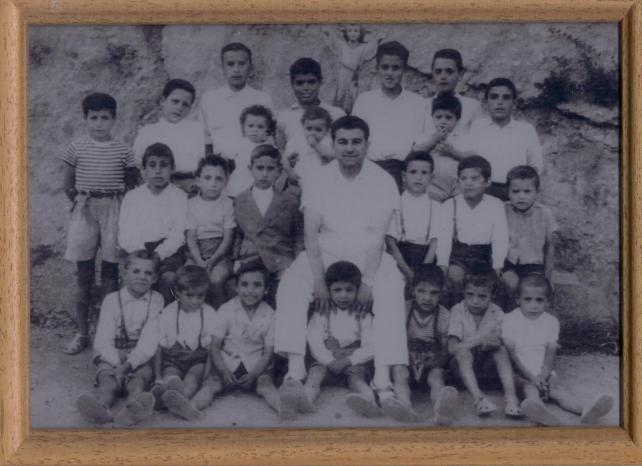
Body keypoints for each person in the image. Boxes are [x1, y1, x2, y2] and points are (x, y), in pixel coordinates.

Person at [274, 115, 408, 413]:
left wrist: (368, 283)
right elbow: (311, 235)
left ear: (367, 144)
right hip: (326, 248)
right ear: (332, 144)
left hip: (369, 253)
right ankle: (294, 373)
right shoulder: (318, 178)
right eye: (342, 142)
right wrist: (319, 281)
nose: (349, 148)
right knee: (292, 283)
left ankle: (383, 381)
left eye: (356, 142)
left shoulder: (383, 180)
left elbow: (378, 238)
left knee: (392, 287)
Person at [61, 92, 137, 355]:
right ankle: (82, 333)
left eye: (105, 118)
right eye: (93, 118)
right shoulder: (76, 148)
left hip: (114, 208)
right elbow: (67, 184)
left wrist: (119, 204)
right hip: (85, 209)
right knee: (83, 275)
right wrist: (80, 201)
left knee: (110, 274)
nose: (99, 123)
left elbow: (131, 183)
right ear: (85, 119)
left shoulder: (124, 150)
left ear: (114, 120)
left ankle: (109, 333)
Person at [502, 274, 614, 426]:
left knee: (558, 390)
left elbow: (550, 353)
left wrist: (544, 376)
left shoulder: (551, 322)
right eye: (527, 299)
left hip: (544, 372)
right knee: (530, 390)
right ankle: (539, 412)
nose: (533, 305)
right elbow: (512, 356)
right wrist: (533, 378)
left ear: (547, 301)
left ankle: (585, 409)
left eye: (539, 300)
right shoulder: (510, 319)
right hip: (519, 373)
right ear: (518, 300)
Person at [76, 250, 163, 425]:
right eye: (136, 271)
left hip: (140, 356)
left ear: (155, 278)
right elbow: (103, 340)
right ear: (125, 273)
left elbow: (150, 339)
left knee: (138, 382)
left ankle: (131, 412)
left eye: (148, 273)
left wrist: (130, 364)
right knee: (108, 383)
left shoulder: (157, 300)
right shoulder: (111, 300)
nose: (142, 277)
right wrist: (118, 364)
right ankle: (101, 409)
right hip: (112, 354)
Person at [294, 261, 380, 421]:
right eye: (337, 290)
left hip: (352, 363)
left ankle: (369, 400)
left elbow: (371, 346)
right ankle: (306, 398)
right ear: (328, 290)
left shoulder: (363, 315)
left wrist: (349, 360)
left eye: (349, 290)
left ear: (358, 290)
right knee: (314, 375)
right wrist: (329, 361)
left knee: (357, 380)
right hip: (327, 363)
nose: (343, 295)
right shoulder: (321, 314)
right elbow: (315, 343)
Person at [209, 261, 282, 416]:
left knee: (265, 384)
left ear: (266, 289)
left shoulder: (270, 315)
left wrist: (254, 374)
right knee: (211, 384)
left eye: (257, 285)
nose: (250, 290)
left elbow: (268, 352)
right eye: (244, 284)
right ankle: (193, 407)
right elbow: (215, 345)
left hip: (256, 364)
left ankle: (282, 408)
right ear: (236, 287)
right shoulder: (226, 309)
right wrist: (223, 370)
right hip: (228, 362)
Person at [233, 145, 303, 305]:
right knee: (250, 285)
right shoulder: (240, 200)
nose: (264, 174)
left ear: (279, 171)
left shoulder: (289, 201)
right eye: (260, 168)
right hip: (251, 256)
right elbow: (238, 233)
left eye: (270, 169)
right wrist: (236, 258)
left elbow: (298, 234)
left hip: (280, 257)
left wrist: (297, 262)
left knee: (290, 287)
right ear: (250, 169)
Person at [118, 143, 187, 303]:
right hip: (137, 250)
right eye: (152, 165)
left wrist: (158, 255)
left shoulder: (179, 196)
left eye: (164, 165)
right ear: (143, 169)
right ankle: (131, 316)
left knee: (169, 279)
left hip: (167, 253)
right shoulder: (133, 197)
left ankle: (164, 316)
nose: (158, 171)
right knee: (130, 280)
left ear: (172, 168)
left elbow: (177, 235)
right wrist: (141, 255)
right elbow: (126, 232)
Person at [447, 267, 521, 418]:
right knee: (463, 353)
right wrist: (480, 340)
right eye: (470, 294)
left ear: (492, 295)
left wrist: (494, 343)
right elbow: (452, 348)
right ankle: (479, 399)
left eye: (482, 296)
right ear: (463, 292)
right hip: (462, 372)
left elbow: (502, 341)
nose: (475, 301)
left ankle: (511, 400)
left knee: (501, 350)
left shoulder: (497, 312)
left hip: (489, 372)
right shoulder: (457, 311)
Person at [352, 41, 426, 190]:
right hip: (370, 169)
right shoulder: (364, 100)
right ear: (377, 68)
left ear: (404, 70)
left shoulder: (418, 103)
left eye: (396, 68)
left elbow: (422, 141)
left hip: (405, 171)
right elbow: (355, 138)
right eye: (385, 67)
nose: (390, 73)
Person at [152, 265, 219, 421]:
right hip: (173, 359)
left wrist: (207, 374)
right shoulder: (168, 313)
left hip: (197, 360)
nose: (195, 301)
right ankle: (166, 391)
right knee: (171, 375)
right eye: (189, 296)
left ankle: (182, 400)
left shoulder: (210, 313)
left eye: (200, 296)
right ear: (177, 292)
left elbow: (211, 350)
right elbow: (159, 348)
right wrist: (158, 375)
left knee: (192, 378)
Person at [397, 264, 459, 426]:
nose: (427, 298)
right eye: (421, 291)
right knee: (400, 373)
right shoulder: (403, 309)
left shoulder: (445, 316)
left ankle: (440, 409)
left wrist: (433, 363)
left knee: (436, 377)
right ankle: (405, 406)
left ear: (441, 292)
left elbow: (445, 350)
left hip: (432, 361)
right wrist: (407, 359)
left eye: (434, 293)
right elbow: (395, 340)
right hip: (407, 359)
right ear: (412, 290)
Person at [443, 155, 509, 304]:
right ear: (458, 181)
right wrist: (443, 264)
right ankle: (459, 313)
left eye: (474, 178)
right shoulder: (451, 204)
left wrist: (497, 265)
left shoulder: (495, 205)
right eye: (463, 178)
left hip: (484, 258)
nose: (468, 183)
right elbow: (444, 239)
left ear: (487, 182)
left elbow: (500, 238)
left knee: (487, 283)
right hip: (458, 257)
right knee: (455, 277)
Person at [467, 77, 543, 200]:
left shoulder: (526, 130)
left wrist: (522, 189)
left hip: (515, 191)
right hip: (484, 190)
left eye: (506, 97)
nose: (500, 102)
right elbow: (469, 160)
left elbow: (535, 166)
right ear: (486, 102)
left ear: (514, 103)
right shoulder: (477, 127)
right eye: (494, 97)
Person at [386, 151, 452, 284]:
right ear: (404, 176)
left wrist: (422, 272)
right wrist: (408, 273)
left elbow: (434, 244)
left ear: (431, 178)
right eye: (413, 172)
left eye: (424, 173)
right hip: (399, 260)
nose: (418, 177)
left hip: (426, 260)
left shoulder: (437, 208)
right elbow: (390, 242)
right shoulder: (394, 204)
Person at [200, 43, 273, 160]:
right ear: (222, 68)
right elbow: (206, 140)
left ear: (250, 68)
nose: (236, 70)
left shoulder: (262, 99)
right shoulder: (209, 99)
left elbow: (270, 138)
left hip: (253, 165)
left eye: (242, 64)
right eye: (230, 64)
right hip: (221, 166)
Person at [132, 78, 204, 194]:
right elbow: (137, 164)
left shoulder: (197, 130)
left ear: (190, 108)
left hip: (190, 188)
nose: (179, 108)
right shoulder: (147, 132)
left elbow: (203, 163)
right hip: (158, 188)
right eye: (175, 101)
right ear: (163, 101)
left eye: (185, 104)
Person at [501, 166, 558, 311]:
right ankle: (511, 318)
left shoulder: (545, 213)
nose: (521, 196)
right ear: (508, 192)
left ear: (537, 192)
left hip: (534, 265)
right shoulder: (503, 210)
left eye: (527, 191)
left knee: (533, 290)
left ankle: (531, 320)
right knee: (512, 285)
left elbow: (550, 245)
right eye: (515, 191)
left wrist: (548, 276)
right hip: (509, 264)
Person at [185, 156, 235, 308]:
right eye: (207, 178)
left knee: (216, 279)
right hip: (195, 254)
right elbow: (191, 237)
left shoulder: (228, 204)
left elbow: (228, 238)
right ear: (198, 180)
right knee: (188, 280)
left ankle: (219, 315)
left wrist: (212, 260)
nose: (213, 184)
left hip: (220, 254)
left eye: (219, 179)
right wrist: (199, 261)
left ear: (226, 181)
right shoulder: (191, 204)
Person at [413, 93, 474, 201]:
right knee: (433, 205)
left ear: (457, 119)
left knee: (459, 205)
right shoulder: (427, 136)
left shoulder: (462, 137)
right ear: (432, 117)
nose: (443, 121)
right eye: (438, 117)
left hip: (457, 182)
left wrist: (453, 153)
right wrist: (434, 140)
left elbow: (471, 158)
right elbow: (416, 151)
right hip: (434, 182)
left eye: (448, 117)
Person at [276, 57, 345, 151]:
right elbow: (281, 152)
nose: (306, 88)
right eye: (300, 83)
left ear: (320, 82)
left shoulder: (336, 114)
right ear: (292, 84)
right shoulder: (283, 117)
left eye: (311, 82)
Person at [321, 24, 386, 113]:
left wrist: (378, 39)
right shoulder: (342, 45)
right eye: (350, 31)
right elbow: (334, 41)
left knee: (353, 94)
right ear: (346, 32)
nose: (352, 33)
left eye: (356, 31)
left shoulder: (363, 47)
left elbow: (371, 48)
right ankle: (339, 112)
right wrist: (329, 33)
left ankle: (351, 114)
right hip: (343, 74)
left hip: (354, 75)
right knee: (340, 94)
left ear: (360, 33)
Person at [422, 49, 482, 135]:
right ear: (432, 74)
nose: (443, 76)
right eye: (438, 71)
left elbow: (478, 140)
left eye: (449, 71)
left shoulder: (472, 106)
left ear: (460, 74)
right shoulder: (423, 106)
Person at [227, 104, 276, 197]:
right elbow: (228, 162)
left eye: (260, 127)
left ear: (268, 129)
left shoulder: (270, 148)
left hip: (258, 189)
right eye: (251, 126)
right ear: (243, 127)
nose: (255, 130)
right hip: (236, 185)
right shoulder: (238, 143)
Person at [283, 106, 335, 190]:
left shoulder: (327, 142)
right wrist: (289, 171)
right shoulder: (296, 141)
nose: (312, 133)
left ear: (327, 130)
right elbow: (284, 158)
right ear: (303, 127)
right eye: (309, 129)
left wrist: (316, 145)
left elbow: (331, 156)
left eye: (318, 130)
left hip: (322, 180)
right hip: (300, 178)